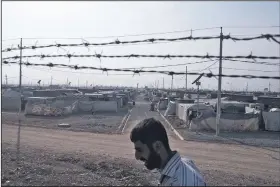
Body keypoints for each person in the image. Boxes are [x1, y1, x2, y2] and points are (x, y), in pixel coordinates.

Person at [130, 118, 206, 186]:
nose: (137, 157)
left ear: (158, 146)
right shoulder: (185, 163)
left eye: (140, 150)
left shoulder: (178, 182)